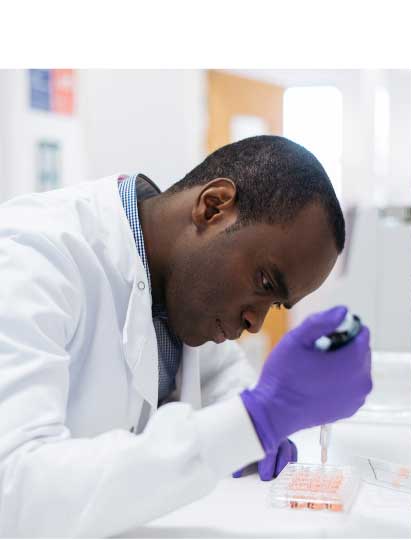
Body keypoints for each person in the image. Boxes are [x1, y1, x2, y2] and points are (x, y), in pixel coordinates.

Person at [0, 135, 374, 537]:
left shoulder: (180, 290)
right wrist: (253, 420)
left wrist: (257, 427)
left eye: (278, 304)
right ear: (212, 207)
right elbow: (14, 490)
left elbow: (222, 378)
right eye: (265, 281)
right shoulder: (30, 257)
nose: (256, 324)